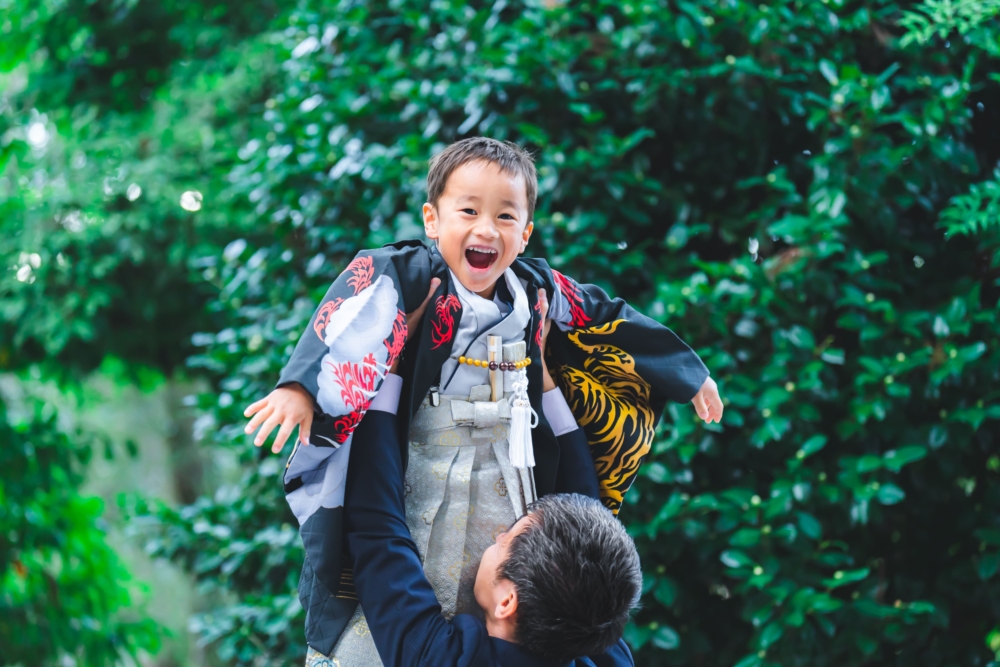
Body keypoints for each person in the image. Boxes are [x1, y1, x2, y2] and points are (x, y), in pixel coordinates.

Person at [243, 137, 723, 663]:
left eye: (505, 216)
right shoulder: (408, 276)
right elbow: (352, 312)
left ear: (526, 232)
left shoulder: (534, 289)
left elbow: (602, 313)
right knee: (406, 555)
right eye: (468, 210)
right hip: (423, 453)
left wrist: (683, 372)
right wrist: (301, 386)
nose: (486, 229)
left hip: (510, 470)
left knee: (510, 573)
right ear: (433, 218)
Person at [324, 378, 640, 666]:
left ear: (507, 601)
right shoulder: (591, 623)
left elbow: (379, 537)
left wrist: (384, 376)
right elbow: (586, 512)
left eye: (507, 540)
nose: (500, 535)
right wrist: (543, 379)